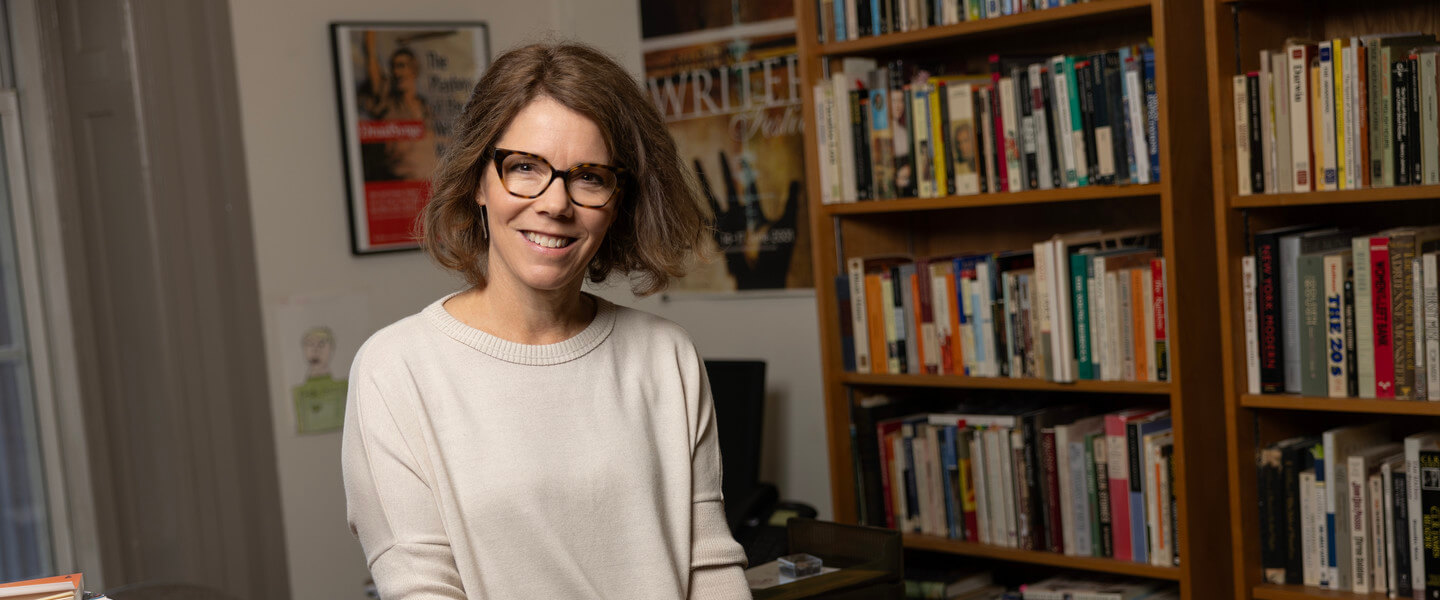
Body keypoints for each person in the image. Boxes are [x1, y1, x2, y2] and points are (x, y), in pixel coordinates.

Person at [341, 42, 751, 599]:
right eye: (525, 168)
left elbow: (710, 569)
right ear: (478, 182)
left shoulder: (666, 356)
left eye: (588, 177)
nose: (555, 203)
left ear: (618, 200)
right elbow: (419, 588)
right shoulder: (396, 370)